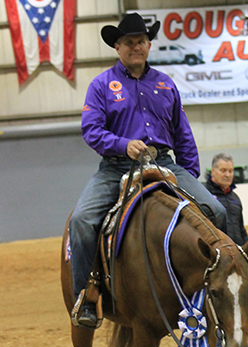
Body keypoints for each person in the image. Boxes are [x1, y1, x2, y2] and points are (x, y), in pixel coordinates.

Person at [69, 13, 226, 328]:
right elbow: (91, 130)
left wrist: (189, 174)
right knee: (82, 221)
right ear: (118, 47)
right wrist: (122, 144)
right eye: (129, 42)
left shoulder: (165, 84)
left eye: (140, 41)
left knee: (216, 210)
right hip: (116, 167)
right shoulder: (101, 86)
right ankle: (86, 295)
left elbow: (182, 134)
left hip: (163, 163)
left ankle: (221, 285)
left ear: (149, 44)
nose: (135, 47)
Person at [205, 153, 248, 246]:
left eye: (230, 171)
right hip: (217, 253)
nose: (228, 175)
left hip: (237, 251)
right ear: (213, 171)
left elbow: (241, 229)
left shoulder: (235, 198)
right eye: (223, 170)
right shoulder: (204, 194)